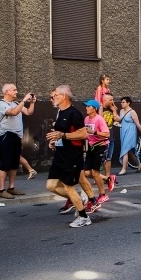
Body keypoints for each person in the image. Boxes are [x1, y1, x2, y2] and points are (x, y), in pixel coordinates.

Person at [45, 85, 93, 228]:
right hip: (60, 154)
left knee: (68, 187)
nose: (53, 98)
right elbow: (61, 133)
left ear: (63, 96)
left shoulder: (74, 113)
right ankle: (77, 199)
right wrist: (55, 142)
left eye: (55, 96)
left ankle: (84, 217)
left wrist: (63, 135)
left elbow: (84, 134)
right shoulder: (60, 112)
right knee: (51, 186)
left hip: (72, 155)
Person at [0, 83, 35, 199]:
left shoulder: (15, 103)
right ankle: (1, 190)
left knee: (14, 164)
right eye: (14, 90)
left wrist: (32, 103)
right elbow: (13, 112)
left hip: (17, 136)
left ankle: (11, 188)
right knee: (5, 163)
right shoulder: (2, 104)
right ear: (7, 92)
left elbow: (28, 112)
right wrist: (24, 100)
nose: (16, 92)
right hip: (6, 136)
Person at [82, 99, 110, 205]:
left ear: (95, 109)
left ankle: (103, 195)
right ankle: (108, 179)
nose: (86, 108)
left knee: (95, 172)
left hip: (101, 146)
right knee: (86, 173)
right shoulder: (86, 119)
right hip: (91, 147)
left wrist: (94, 132)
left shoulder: (99, 119)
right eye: (86, 106)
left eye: (88, 106)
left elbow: (107, 135)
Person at [116, 96, 141, 175]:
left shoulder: (132, 112)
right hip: (123, 131)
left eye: (123, 102)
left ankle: (124, 169)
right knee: (129, 150)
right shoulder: (121, 111)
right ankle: (139, 164)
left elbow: (137, 124)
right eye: (121, 102)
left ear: (128, 103)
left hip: (131, 132)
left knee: (125, 149)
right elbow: (120, 120)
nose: (121, 103)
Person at [100, 93, 118, 189]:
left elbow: (118, 119)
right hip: (101, 138)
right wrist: (100, 109)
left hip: (111, 137)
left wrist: (114, 111)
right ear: (105, 100)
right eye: (110, 100)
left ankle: (107, 177)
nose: (112, 102)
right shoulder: (100, 108)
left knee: (109, 158)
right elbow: (100, 120)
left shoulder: (112, 109)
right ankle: (99, 177)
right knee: (100, 158)